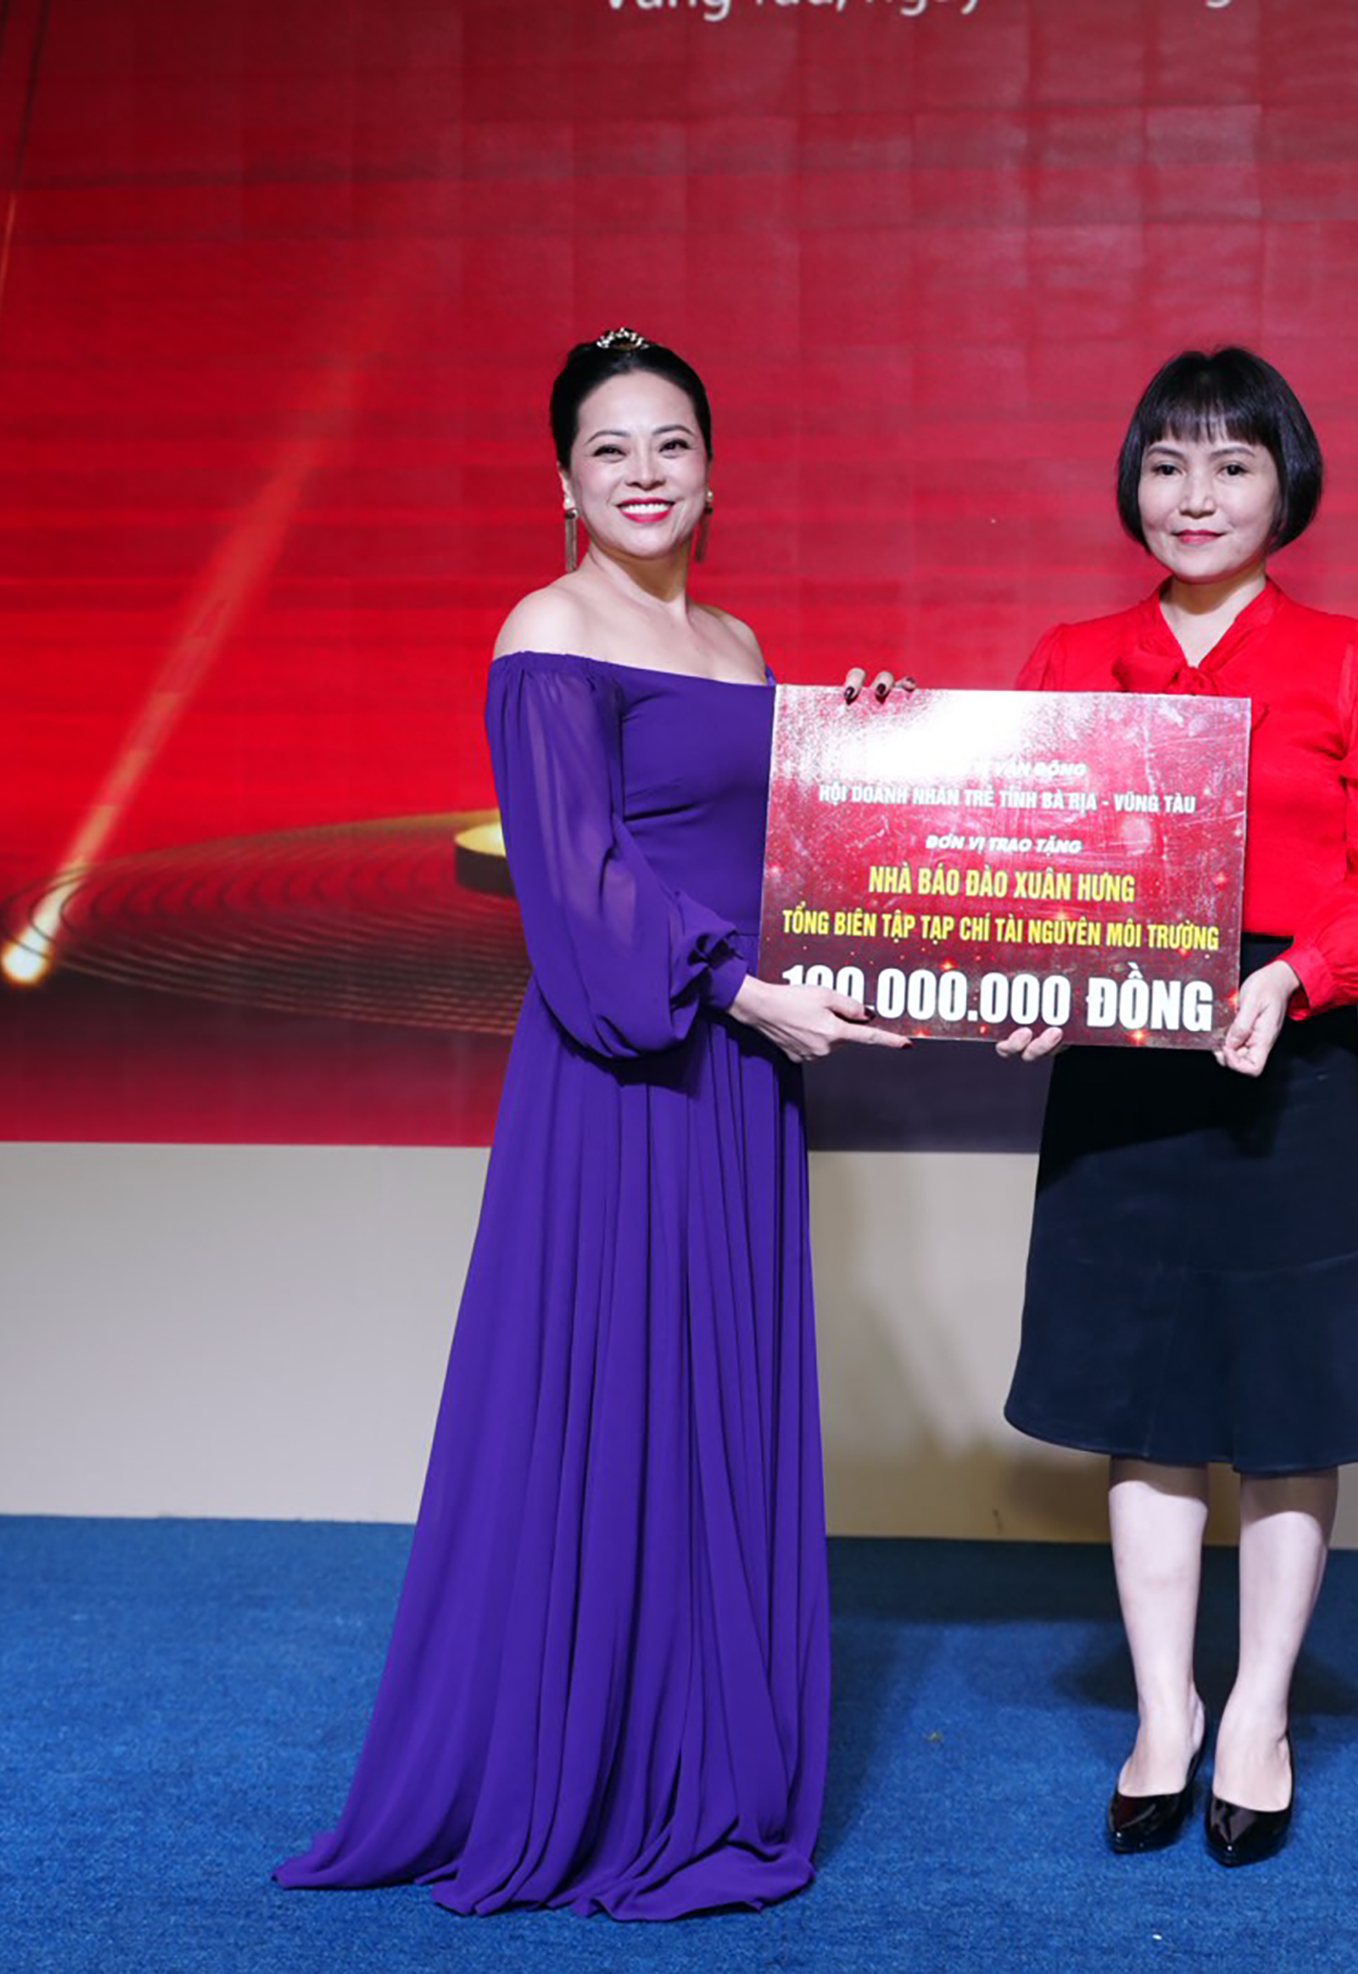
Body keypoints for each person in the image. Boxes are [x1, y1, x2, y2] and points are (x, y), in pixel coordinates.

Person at [276, 330, 904, 1919]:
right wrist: (741, 993)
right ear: (561, 479)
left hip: (740, 1079)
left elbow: (787, 843)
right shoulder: (545, 630)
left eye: (670, 442)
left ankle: (703, 1765)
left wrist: (875, 738)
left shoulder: (741, 642)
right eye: (609, 447)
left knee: (712, 1409)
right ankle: (585, 1770)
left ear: (713, 471)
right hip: (626, 1073)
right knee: (611, 1401)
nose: (642, 471)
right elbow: (577, 888)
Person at [994, 347, 1358, 1869]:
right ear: (1132, 484)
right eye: (1168, 463)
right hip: (1117, 1068)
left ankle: (1256, 1713)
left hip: (1283, 1059)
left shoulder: (1357, 660)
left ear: (1285, 486)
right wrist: (884, 746)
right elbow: (1006, 848)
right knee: (1146, 1401)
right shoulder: (1070, 656)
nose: (1195, 496)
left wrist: (1299, 972)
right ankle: (1162, 1711)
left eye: (1232, 465)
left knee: (1288, 1400)